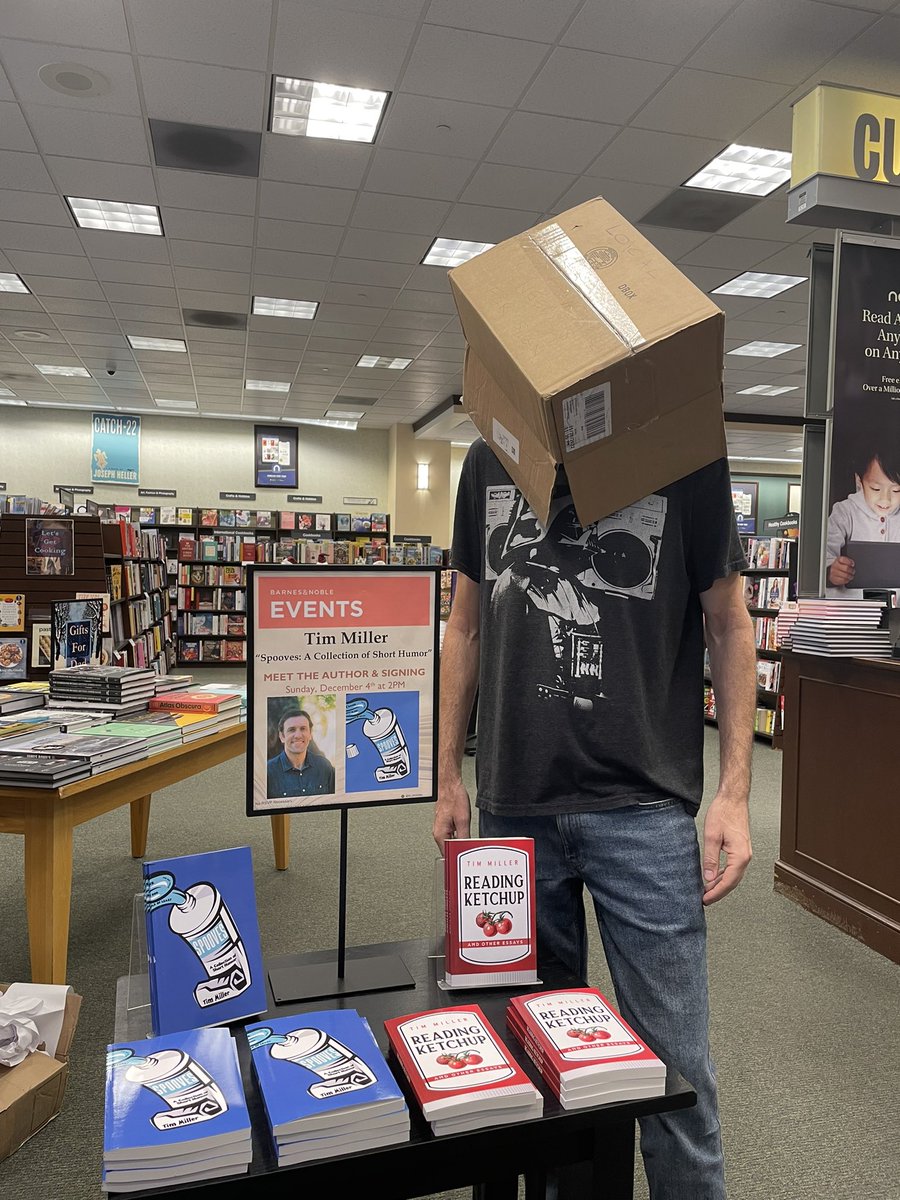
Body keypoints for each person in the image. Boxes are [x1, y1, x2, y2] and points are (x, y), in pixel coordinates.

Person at [435, 440, 756, 1200]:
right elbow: (466, 625)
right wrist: (447, 771)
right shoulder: (492, 458)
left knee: (677, 1076)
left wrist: (736, 793)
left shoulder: (687, 455)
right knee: (530, 1070)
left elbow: (731, 625)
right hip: (514, 807)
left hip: (644, 808)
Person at [825, 446, 900, 590]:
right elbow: (822, 556)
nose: (885, 499)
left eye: (896, 490)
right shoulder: (845, 511)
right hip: (854, 606)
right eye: (875, 489)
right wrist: (831, 570)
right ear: (859, 482)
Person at [266, 707, 335, 798]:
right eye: (291, 730)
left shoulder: (324, 766)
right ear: (282, 736)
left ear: (310, 734)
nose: (298, 735)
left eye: (303, 729)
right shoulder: (268, 771)